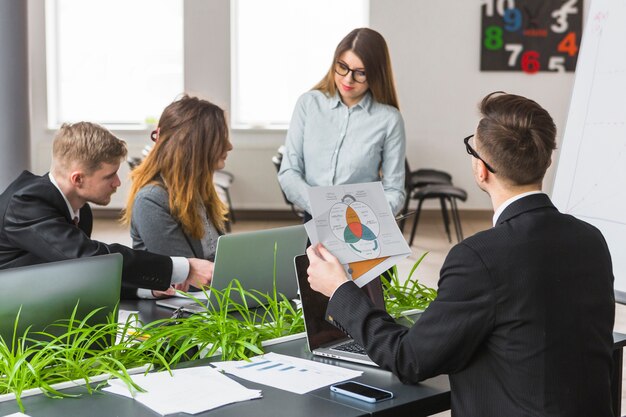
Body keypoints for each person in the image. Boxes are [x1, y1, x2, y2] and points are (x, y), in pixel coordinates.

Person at [306, 92, 615, 416]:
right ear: (546, 161)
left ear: (481, 170)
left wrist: (341, 290)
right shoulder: (592, 240)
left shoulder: (479, 258)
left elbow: (408, 360)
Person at [0, 122, 213, 299]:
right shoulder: (25, 202)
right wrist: (185, 268)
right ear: (78, 179)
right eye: (110, 175)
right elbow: (90, 258)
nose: (118, 182)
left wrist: (146, 290)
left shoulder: (80, 208)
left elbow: (83, 273)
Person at [278, 28, 406, 220]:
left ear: (376, 73)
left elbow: (394, 190)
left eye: (360, 73)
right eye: (343, 67)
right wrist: (324, 210)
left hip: (362, 221)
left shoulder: (389, 119)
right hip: (313, 217)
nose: (348, 79)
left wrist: (368, 217)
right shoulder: (308, 104)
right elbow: (289, 172)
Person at [122, 95, 232, 297]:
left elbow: (218, 259)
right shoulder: (151, 199)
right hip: (178, 314)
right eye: (219, 139)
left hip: (211, 300)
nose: (229, 146)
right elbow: (190, 281)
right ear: (195, 145)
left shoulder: (200, 190)